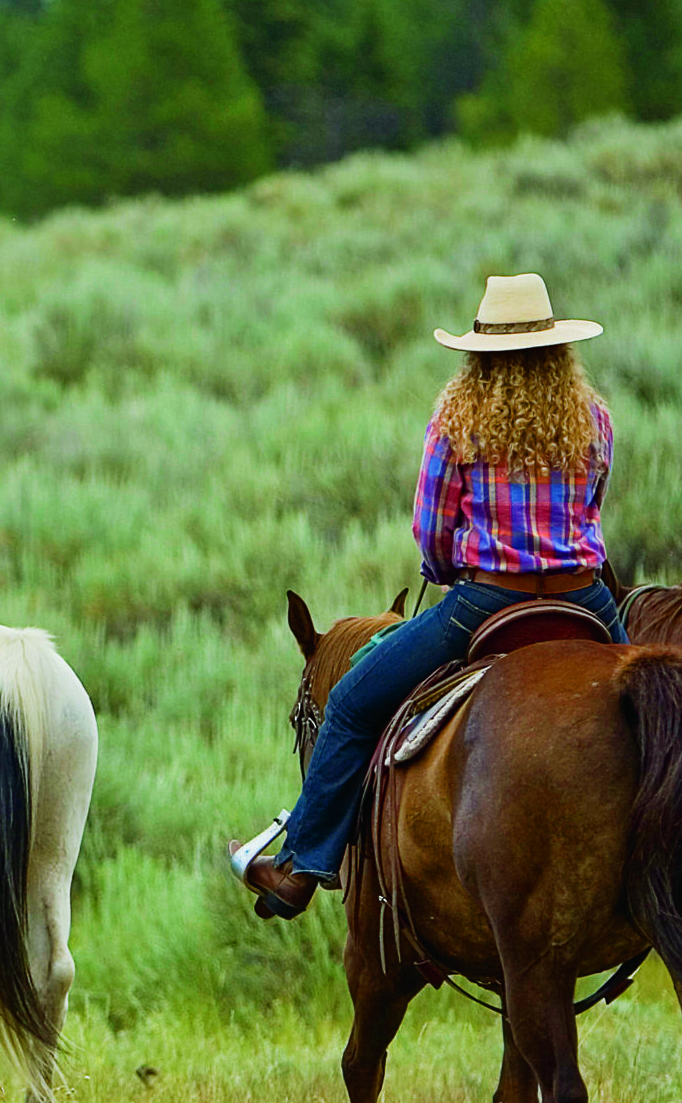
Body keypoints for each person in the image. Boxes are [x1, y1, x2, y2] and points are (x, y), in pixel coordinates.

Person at [236, 274, 622, 919]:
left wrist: (444, 568)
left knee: (354, 704)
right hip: (586, 602)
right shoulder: (594, 419)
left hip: (487, 602)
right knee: (673, 718)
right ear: (559, 351)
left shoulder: (457, 419)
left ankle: (301, 867)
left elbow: (431, 527)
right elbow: (593, 510)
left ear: (479, 354)